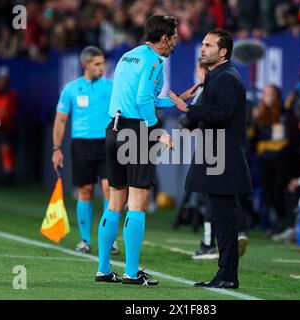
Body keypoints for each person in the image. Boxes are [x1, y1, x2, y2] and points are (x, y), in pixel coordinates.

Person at [96, 15, 200, 285]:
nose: (176, 42)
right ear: (163, 38)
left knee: (115, 201)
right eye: (174, 37)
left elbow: (144, 97)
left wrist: (176, 99)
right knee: (138, 203)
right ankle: (131, 273)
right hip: (135, 131)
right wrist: (157, 132)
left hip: (113, 130)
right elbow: (143, 100)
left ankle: (104, 270)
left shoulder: (129, 56)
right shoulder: (154, 60)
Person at [169, 29, 253, 289]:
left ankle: (227, 276)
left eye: (208, 45)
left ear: (223, 51)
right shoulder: (216, 76)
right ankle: (225, 275)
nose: (202, 49)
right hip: (215, 157)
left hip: (222, 160)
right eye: (202, 44)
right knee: (220, 218)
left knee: (224, 220)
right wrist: (189, 108)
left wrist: (189, 108)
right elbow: (204, 116)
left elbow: (222, 113)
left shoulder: (226, 77)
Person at [52, 46, 119, 255]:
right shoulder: (71, 89)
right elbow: (61, 121)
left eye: (102, 64)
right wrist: (56, 148)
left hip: (107, 144)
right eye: (97, 64)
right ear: (85, 65)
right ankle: (85, 240)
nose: (102, 68)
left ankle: (110, 240)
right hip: (81, 145)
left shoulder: (111, 86)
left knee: (110, 190)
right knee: (85, 191)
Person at [250, 84, 300, 234]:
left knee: (280, 192)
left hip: (283, 163)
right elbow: (254, 141)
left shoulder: (285, 114)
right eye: (266, 94)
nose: (269, 98)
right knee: (267, 193)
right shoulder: (260, 115)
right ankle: (274, 222)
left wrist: (264, 147)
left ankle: (285, 223)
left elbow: (285, 142)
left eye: (272, 94)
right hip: (265, 163)